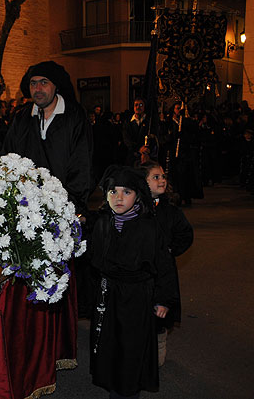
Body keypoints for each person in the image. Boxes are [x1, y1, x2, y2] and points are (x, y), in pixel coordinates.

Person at [2, 61, 92, 369]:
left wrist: (71, 209)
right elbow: (8, 161)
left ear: (55, 86)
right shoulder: (20, 119)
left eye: (43, 83)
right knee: (26, 279)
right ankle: (31, 346)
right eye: (33, 84)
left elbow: (82, 166)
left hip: (61, 212)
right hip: (26, 213)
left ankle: (58, 347)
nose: (38, 89)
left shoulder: (75, 118)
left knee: (56, 281)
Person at [90, 166, 179, 399]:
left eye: (126, 192)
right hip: (109, 296)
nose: (118, 198)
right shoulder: (101, 223)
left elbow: (165, 265)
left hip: (137, 297)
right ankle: (115, 387)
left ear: (137, 195)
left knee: (131, 350)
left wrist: (163, 299)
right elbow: (93, 261)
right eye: (112, 192)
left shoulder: (149, 227)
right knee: (110, 348)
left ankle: (126, 393)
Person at [140, 160, 193, 366]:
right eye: (156, 177)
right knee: (142, 314)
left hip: (163, 272)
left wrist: (171, 250)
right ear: (143, 182)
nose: (162, 180)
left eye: (163, 176)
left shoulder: (170, 210)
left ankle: (159, 347)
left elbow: (186, 234)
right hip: (141, 272)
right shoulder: (135, 208)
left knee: (160, 317)